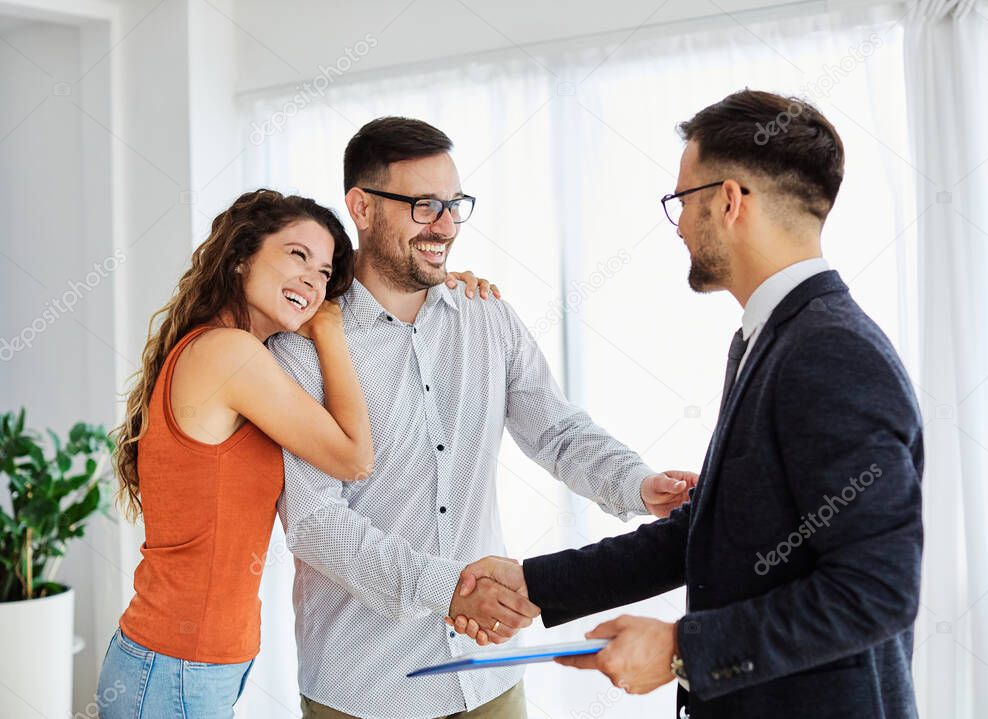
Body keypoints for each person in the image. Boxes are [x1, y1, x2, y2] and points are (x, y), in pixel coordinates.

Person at [452, 90, 924, 719]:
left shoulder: (829, 351)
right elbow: (709, 533)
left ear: (728, 201)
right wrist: (535, 584)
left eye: (681, 202)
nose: (676, 225)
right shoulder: (770, 339)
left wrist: (681, 649)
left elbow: (877, 591)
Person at [266, 116, 697, 719]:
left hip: (486, 676)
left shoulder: (486, 316)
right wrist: (453, 590)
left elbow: (556, 430)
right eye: (422, 205)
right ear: (361, 208)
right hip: (365, 686)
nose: (445, 225)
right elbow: (316, 525)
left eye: (453, 204)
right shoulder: (299, 351)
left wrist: (637, 484)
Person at [97, 189, 494, 718]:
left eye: (326, 272)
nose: (313, 279)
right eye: (296, 255)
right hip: (174, 662)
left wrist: (438, 281)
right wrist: (330, 333)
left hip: (198, 661)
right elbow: (355, 458)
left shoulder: (241, 354)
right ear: (241, 258)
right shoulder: (227, 355)